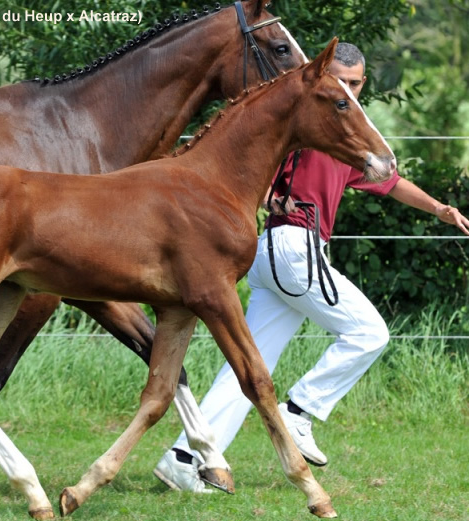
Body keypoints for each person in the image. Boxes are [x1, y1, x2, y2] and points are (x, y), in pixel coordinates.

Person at [153, 42, 469, 492]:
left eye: (356, 82)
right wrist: (268, 199)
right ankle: (299, 413)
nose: (348, 88)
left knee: (248, 365)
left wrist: (438, 207)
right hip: (291, 249)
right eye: (341, 79)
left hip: (281, 257)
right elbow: (245, 165)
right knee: (369, 333)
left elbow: (389, 181)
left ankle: (186, 459)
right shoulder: (307, 124)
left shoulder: (344, 140)